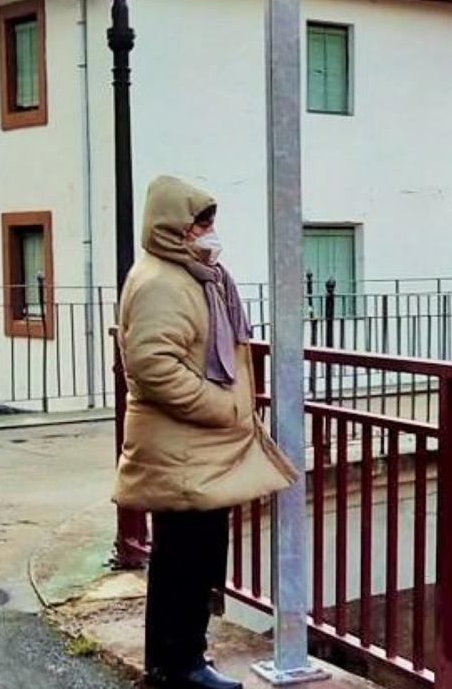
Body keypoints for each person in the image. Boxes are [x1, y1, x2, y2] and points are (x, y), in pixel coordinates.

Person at [115, 175, 298, 689]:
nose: (209, 231)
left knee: (188, 556)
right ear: (174, 226)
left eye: (210, 221)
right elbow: (153, 365)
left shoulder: (192, 276)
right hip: (183, 447)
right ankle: (180, 665)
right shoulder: (161, 283)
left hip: (192, 449)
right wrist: (222, 407)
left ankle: (177, 659)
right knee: (185, 559)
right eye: (200, 222)